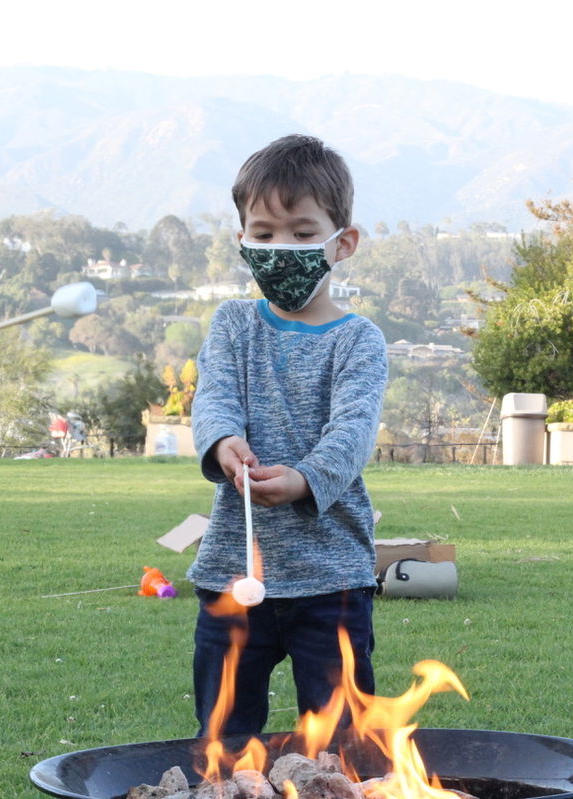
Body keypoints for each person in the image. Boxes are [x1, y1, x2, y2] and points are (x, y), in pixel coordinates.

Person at [188, 134, 388, 737]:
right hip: (233, 570)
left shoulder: (359, 340)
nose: (282, 248)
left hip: (332, 579)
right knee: (224, 740)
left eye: (303, 234)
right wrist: (222, 442)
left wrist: (304, 479)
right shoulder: (231, 324)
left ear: (341, 242)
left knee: (341, 741)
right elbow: (214, 396)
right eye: (264, 233)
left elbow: (353, 430)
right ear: (242, 240)